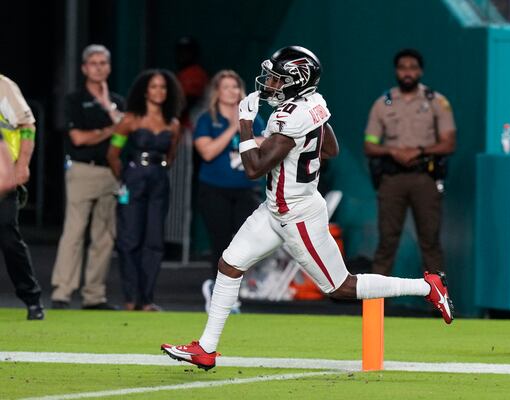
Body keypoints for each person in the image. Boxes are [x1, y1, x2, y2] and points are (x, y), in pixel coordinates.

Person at [161, 46, 454, 370]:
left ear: (296, 81)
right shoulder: (312, 103)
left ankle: (427, 286)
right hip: (277, 207)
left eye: (277, 78)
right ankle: (206, 348)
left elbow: (254, 168)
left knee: (341, 286)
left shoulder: (291, 116)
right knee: (229, 264)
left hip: (296, 213)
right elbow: (331, 147)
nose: (270, 83)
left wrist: (244, 125)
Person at [364, 49, 456, 277]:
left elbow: (449, 143)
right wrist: (392, 150)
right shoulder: (383, 103)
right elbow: (370, 144)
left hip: (424, 176)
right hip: (391, 178)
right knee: (386, 241)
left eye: (412, 68)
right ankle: (375, 304)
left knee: (430, 242)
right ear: (396, 71)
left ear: (420, 71)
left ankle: (439, 306)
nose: (408, 72)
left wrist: (420, 150)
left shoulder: (436, 101)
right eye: (403, 68)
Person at [50, 45, 124, 310]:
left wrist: (108, 109)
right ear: (84, 68)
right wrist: (109, 129)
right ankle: (62, 290)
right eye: (93, 63)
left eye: (103, 62)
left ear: (109, 66)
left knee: (104, 236)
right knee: (74, 232)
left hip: (110, 171)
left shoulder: (117, 100)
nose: (98, 67)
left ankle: (94, 295)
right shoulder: (74, 99)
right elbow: (78, 138)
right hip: (82, 170)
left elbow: (124, 132)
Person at [107, 69, 184, 311]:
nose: (159, 91)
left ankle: (147, 299)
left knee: (154, 240)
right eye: (153, 87)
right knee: (130, 239)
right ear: (144, 91)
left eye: (162, 87)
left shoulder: (173, 124)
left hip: (159, 179)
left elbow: (171, 156)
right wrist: (126, 177)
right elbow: (113, 154)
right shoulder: (129, 120)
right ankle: (131, 298)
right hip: (133, 178)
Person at [194, 70, 265, 281]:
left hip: (246, 188)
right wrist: (235, 127)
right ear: (217, 91)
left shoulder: (253, 118)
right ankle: (219, 287)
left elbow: (267, 143)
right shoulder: (207, 119)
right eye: (226, 87)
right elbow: (207, 152)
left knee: (249, 240)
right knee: (220, 241)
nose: (232, 91)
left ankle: (246, 285)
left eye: (235, 86)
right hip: (214, 188)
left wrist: (246, 127)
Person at [0, 74, 44, 320]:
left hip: (3, 177)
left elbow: (27, 126)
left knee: (8, 236)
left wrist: (22, 166)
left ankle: (32, 298)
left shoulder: (3, 86)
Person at [175, 36, 209, 130]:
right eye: (180, 51)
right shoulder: (183, 73)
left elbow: (189, 100)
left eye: (187, 51)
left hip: (193, 124)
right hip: (187, 125)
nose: (183, 55)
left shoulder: (196, 73)